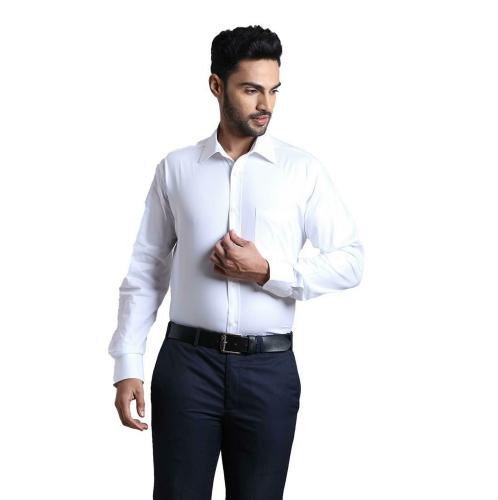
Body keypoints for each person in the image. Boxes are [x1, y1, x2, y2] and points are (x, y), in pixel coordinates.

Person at [108, 24, 364, 500]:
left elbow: (350, 261)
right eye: (251, 89)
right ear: (216, 86)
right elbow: (146, 269)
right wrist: (128, 362)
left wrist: (268, 272)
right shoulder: (176, 168)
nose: (266, 104)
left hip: (269, 371)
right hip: (187, 368)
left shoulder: (302, 171)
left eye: (274, 90)